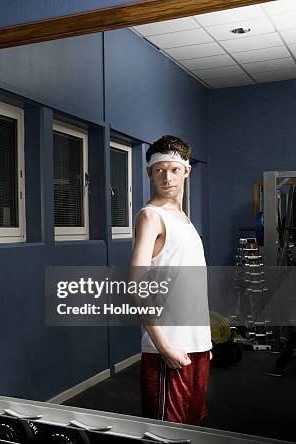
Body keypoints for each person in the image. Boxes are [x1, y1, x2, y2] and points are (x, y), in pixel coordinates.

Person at [130, 135, 212, 425]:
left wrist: (204, 340)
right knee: (166, 432)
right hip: (169, 347)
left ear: (187, 171)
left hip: (196, 345)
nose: (167, 177)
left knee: (192, 425)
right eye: (159, 169)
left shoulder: (185, 220)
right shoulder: (150, 217)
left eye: (174, 169)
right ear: (149, 172)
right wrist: (164, 346)